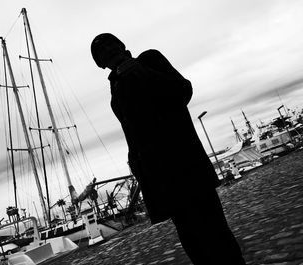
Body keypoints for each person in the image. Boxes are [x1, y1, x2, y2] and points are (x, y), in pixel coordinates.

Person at [91, 33, 246, 265]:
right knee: (190, 237)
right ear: (101, 64)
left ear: (122, 45)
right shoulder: (116, 89)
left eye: (111, 45)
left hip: (186, 162)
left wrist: (142, 72)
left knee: (215, 230)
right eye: (101, 52)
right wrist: (135, 163)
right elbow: (132, 133)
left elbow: (183, 91)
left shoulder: (148, 59)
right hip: (158, 175)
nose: (108, 51)